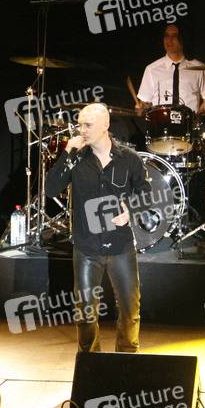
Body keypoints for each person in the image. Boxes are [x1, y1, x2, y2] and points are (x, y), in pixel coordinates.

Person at [44, 104, 151, 352]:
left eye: (88, 125)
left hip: (121, 245)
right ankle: (90, 362)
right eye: (80, 125)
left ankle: (126, 359)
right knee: (85, 312)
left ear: (106, 125)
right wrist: (67, 152)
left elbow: (146, 194)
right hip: (86, 247)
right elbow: (50, 189)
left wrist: (130, 211)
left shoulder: (129, 158)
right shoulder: (77, 158)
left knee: (129, 310)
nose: (82, 130)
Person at [135, 23, 205, 116]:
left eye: (174, 36)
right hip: (161, 123)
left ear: (183, 40)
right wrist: (140, 108)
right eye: (166, 35)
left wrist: (196, 118)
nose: (169, 40)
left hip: (189, 123)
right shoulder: (152, 69)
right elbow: (144, 103)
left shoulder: (199, 68)